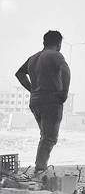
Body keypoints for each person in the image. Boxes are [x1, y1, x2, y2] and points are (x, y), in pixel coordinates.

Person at [15, 30, 71, 174]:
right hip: (51, 101)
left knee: (45, 136)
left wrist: (32, 89)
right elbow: (65, 70)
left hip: (36, 101)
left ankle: (40, 168)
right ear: (59, 44)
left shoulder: (33, 58)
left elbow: (19, 74)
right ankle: (40, 170)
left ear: (44, 42)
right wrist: (64, 92)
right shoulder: (55, 55)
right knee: (49, 138)